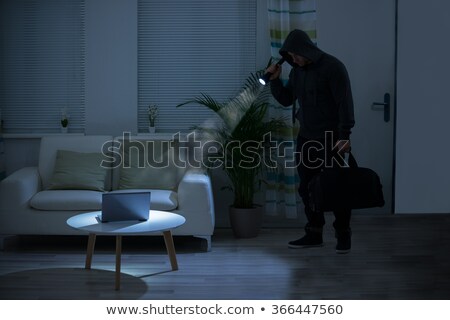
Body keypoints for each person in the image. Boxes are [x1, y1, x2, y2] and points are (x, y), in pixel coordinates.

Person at [267, 29, 355, 254]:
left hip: (331, 139)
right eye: (289, 57)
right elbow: (287, 100)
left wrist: (345, 137)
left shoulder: (333, 67)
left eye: (295, 55)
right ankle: (314, 233)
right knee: (307, 188)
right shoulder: (297, 72)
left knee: (337, 188)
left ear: (306, 49)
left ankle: (343, 233)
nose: (292, 60)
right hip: (306, 137)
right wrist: (275, 81)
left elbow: (345, 104)